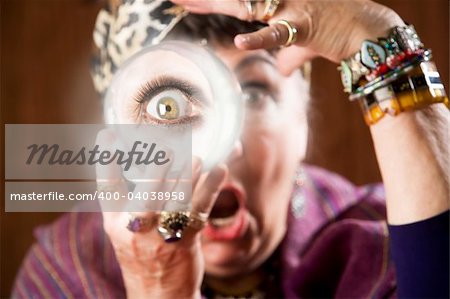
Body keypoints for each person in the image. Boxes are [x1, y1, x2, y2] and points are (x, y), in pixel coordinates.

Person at [12, 0, 449, 298]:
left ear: (302, 121)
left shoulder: (387, 239)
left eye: (254, 95)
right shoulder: (68, 270)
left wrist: (377, 37)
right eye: (169, 105)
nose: (227, 146)